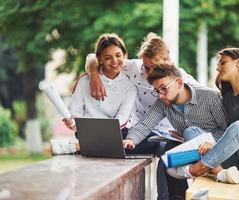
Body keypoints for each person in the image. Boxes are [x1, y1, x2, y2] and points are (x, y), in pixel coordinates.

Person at [85, 33, 200, 199]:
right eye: (146, 67)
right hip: (140, 131)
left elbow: (202, 101)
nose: (150, 73)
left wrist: (187, 129)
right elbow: (92, 57)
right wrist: (94, 76)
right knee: (115, 142)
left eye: (155, 68)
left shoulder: (181, 78)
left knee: (170, 156)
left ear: (168, 62)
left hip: (169, 135)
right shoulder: (134, 68)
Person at [167, 47, 239, 183]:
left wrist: (215, 146)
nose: (218, 68)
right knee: (191, 131)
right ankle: (221, 173)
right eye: (218, 64)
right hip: (235, 161)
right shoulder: (227, 95)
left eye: (222, 62)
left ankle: (200, 168)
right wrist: (197, 140)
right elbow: (223, 130)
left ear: (238, 62)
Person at [122, 63, 229, 199]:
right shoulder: (163, 103)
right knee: (167, 157)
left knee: (190, 132)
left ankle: (218, 172)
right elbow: (145, 124)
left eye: (163, 89)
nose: (160, 95)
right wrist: (131, 139)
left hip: (218, 154)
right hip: (193, 154)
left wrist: (208, 142)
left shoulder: (210, 97)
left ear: (178, 83)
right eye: (157, 91)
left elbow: (227, 131)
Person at [50, 33, 137, 155]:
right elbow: (75, 112)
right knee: (119, 145)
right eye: (108, 58)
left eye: (118, 55)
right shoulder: (85, 81)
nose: (114, 61)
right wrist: (73, 123)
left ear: (125, 55)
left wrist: (104, 131)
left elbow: (122, 119)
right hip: (87, 132)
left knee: (127, 140)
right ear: (99, 59)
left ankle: (75, 147)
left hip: (116, 132)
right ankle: (82, 145)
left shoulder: (130, 87)